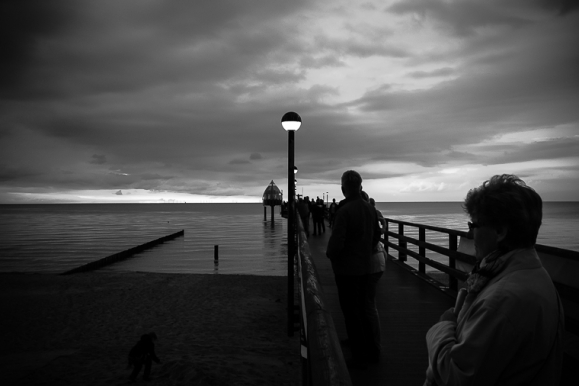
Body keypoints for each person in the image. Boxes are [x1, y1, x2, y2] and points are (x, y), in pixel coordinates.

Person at [424, 174, 564, 385]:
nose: (470, 235)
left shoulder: (502, 300)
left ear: (499, 231)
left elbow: (457, 376)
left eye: (474, 226)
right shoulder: (532, 276)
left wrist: (443, 327)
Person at [326, 171, 382, 368]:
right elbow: (377, 234)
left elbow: (336, 242)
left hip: (347, 271)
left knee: (351, 313)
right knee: (364, 310)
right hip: (366, 268)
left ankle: (358, 355)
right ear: (361, 186)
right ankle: (372, 350)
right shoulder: (370, 209)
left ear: (343, 189)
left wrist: (331, 254)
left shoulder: (344, 211)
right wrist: (366, 250)